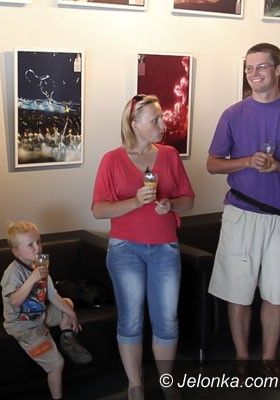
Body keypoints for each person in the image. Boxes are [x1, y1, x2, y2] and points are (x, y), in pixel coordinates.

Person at [207, 43, 280, 389]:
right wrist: (247, 161)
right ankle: (242, 360)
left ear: (278, 70)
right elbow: (212, 164)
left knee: (278, 292)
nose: (254, 74)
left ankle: (269, 359)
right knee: (238, 291)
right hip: (241, 213)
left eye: (261, 67)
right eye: (249, 68)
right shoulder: (233, 114)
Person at [92, 94, 195, 400]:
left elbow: (188, 201)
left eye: (162, 117)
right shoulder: (112, 160)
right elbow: (99, 210)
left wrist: (170, 204)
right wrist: (135, 202)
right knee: (131, 319)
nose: (164, 124)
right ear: (134, 124)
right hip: (125, 250)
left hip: (165, 248)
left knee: (167, 320)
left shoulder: (170, 156)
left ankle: (166, 381)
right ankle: (135, 385)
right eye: (155, 119)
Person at [1, 220, 92, 400]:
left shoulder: (40, 262)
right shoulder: (13, 273)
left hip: (41, 315)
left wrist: (71, 314)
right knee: (57, 364)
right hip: (25, 327)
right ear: (16, 251)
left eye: (38, 242)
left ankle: (67, 337)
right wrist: (31, 279)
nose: (37, 247)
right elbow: (15, 301)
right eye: (30, 245)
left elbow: (52, 294)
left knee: (67, 303)